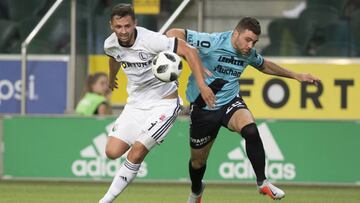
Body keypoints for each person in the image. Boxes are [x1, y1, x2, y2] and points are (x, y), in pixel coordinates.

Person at [166, 17, 320, 202]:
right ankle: (197, 190)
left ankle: (262, 182)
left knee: (251, 130)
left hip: (230, 102)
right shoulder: (212, 41)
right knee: (198, 162)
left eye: (254, 42)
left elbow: (264, 65)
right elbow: (172, 34)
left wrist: (296, 75)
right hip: (203, 109)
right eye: (247, 40)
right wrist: (192, 57)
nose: (250, 45)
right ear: (235, 33)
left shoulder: (248, 54)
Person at [98, 3, 214, 203]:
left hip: (164, 104)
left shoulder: (151, 40)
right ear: (111, 26)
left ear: (135, 23)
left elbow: (189, 50)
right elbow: (113, 57)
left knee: (138, 150)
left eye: (127, 26)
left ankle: (106, 200)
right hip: (135, 104)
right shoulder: (110, 43)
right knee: (111, 152)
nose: (123, 31)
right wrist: (111, 77)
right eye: (119, 27)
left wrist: (203, 85)